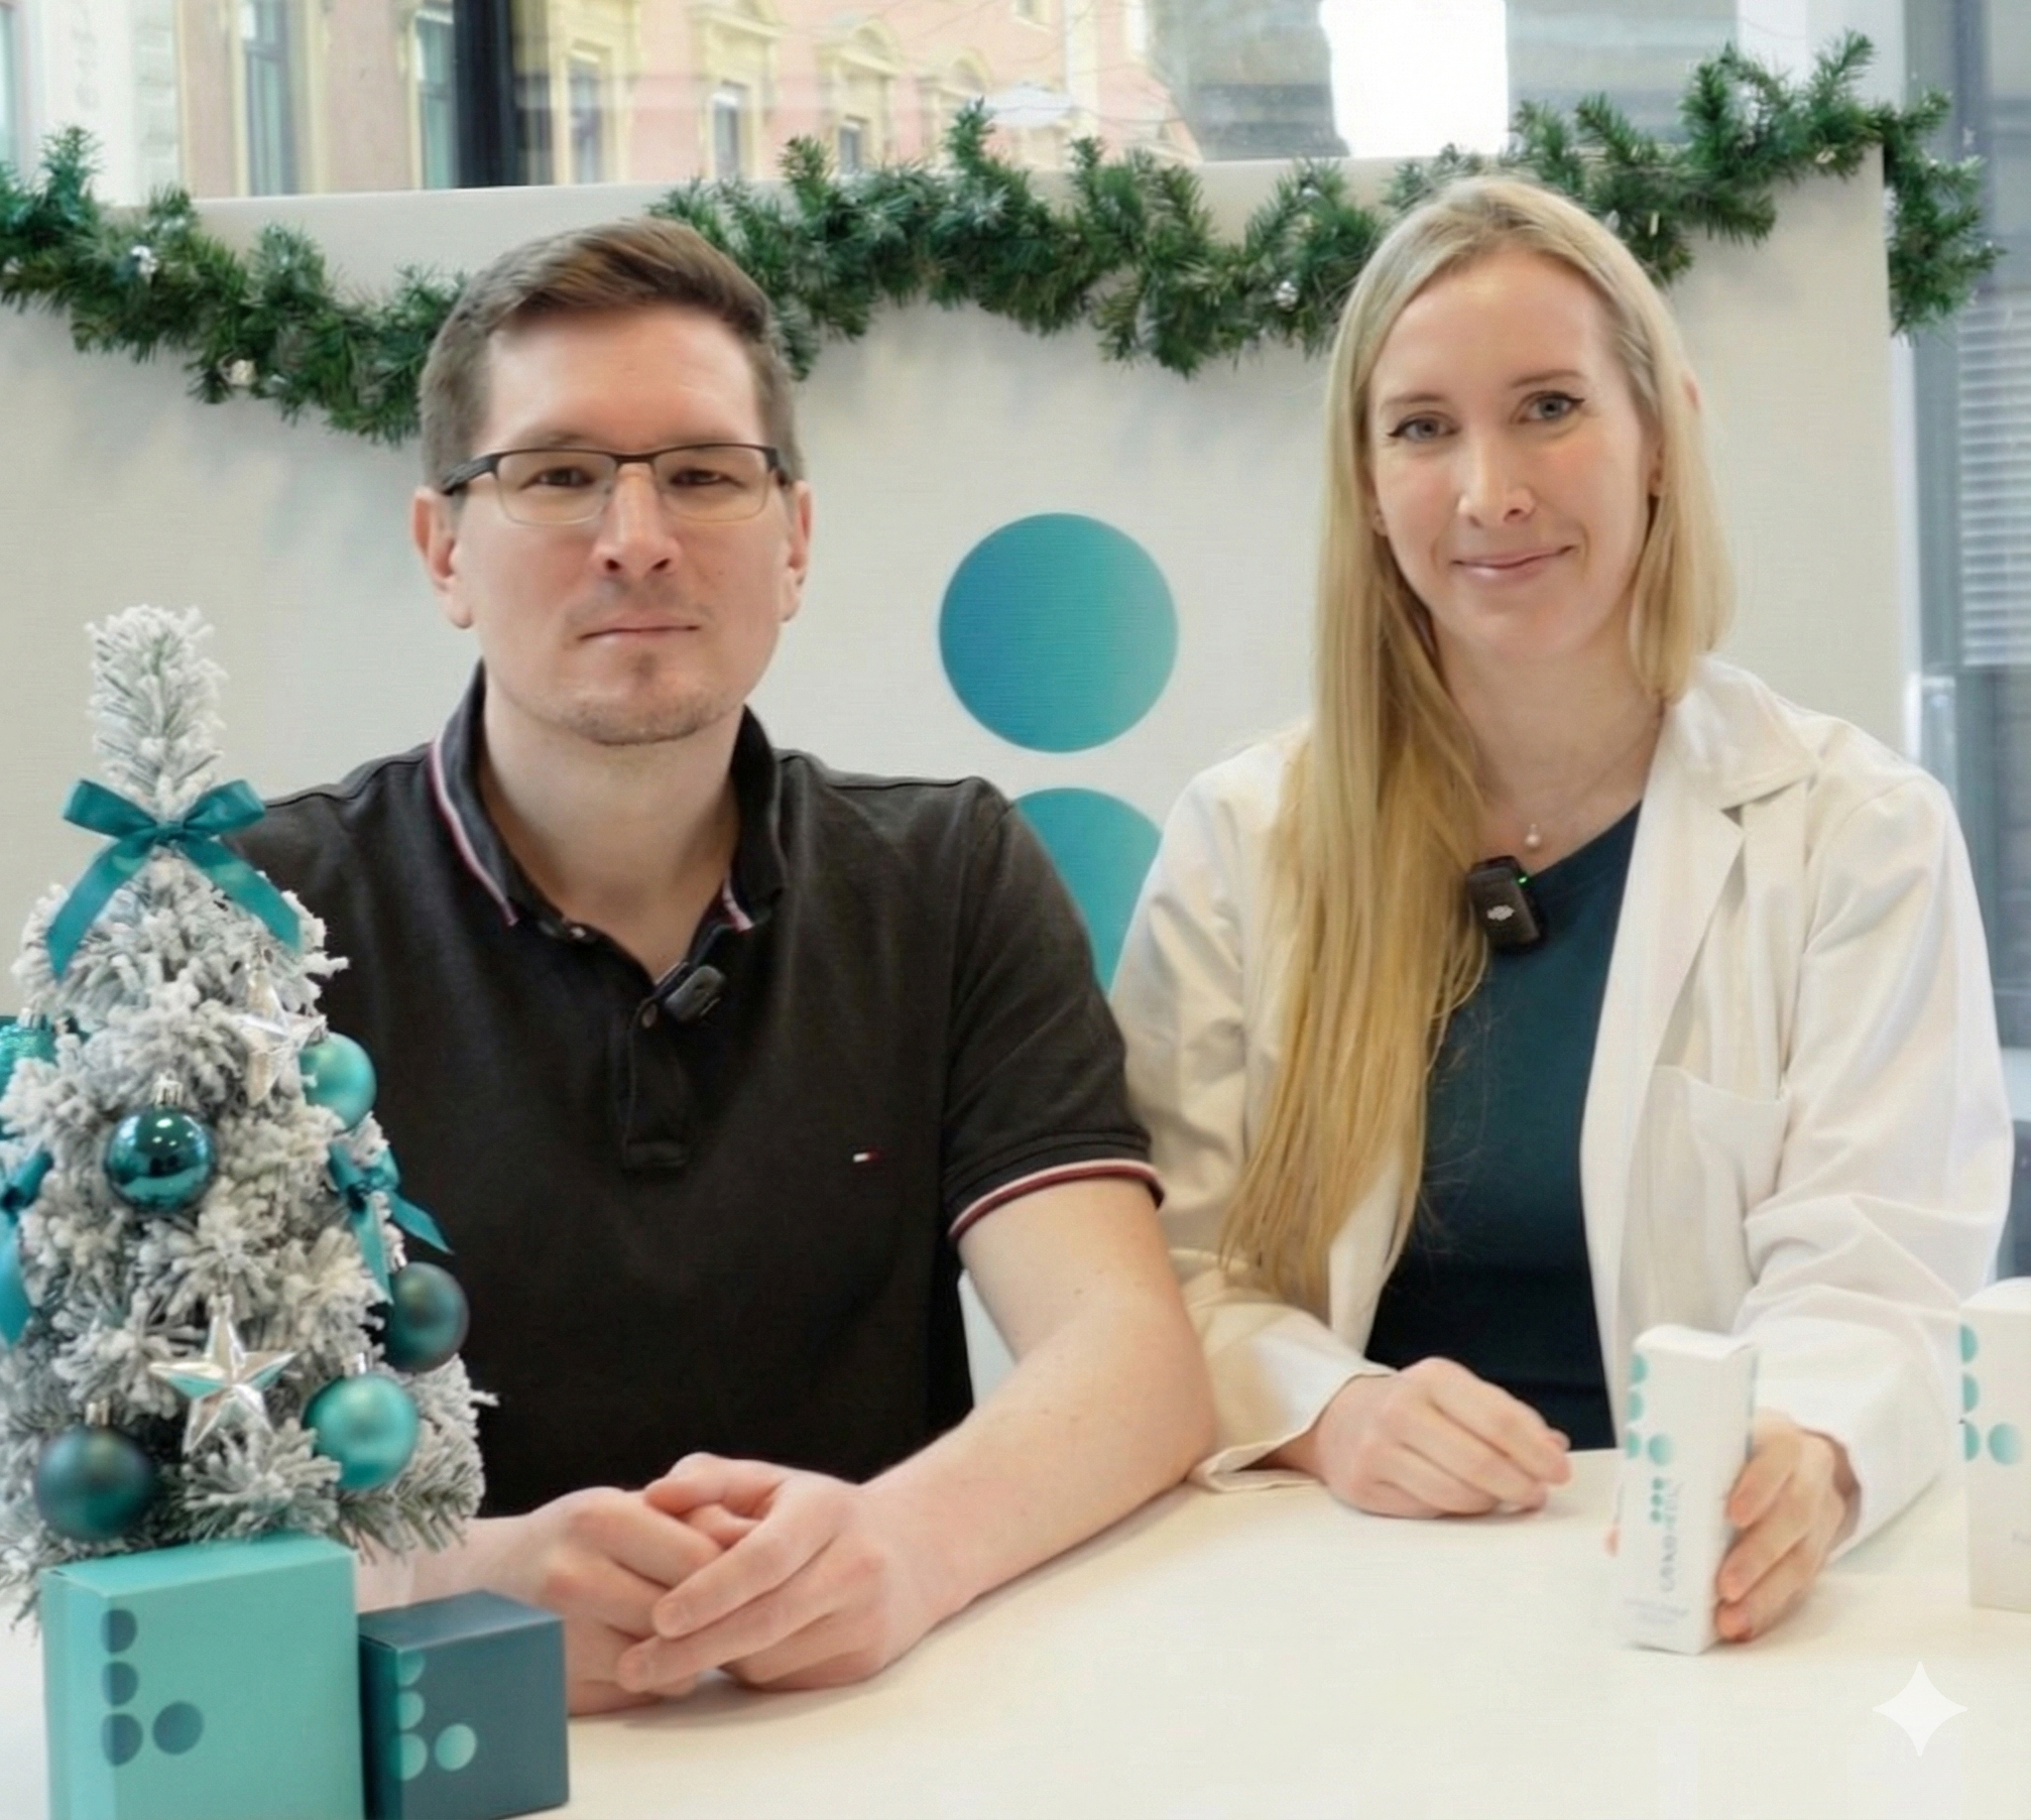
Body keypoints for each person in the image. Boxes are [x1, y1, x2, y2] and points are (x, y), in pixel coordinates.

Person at [235, 215, 1212, 1710]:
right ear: (444, 549)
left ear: (795, 540)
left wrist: (903, 1550)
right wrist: (461, 1584)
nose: (638, 535)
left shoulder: (950, 876)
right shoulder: (257, 922)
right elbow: (118, 1473)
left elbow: (1129, 1361)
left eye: (703, 473)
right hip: (424, 1753)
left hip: (866, 1731)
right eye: (558, 475)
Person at [1111, 175, 2011, 1643]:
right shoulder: (1243, 840)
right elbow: (1159, 1274)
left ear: (1662, 438)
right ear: (1364, 480)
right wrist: (1333, 1414)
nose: (1490, 492)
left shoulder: (1855, 833)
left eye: (1548, 408)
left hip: (1696, 1594)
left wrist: (1803, 1456)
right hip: (1328, 1594)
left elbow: (1881, 1264)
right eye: (1422, 428)